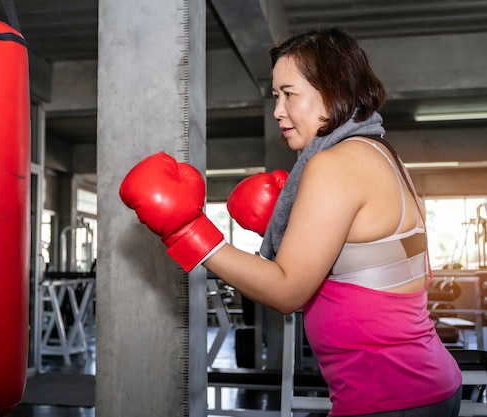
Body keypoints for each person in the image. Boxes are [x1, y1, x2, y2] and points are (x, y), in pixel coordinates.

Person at [119, 27, 462, 416]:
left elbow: (286, 292)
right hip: (419, 386)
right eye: (275, 97)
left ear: (332, 92)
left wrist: (187, 231)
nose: (278, 111)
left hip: (390, 396)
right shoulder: (380, 154)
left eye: (289, 94)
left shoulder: (336, 165)